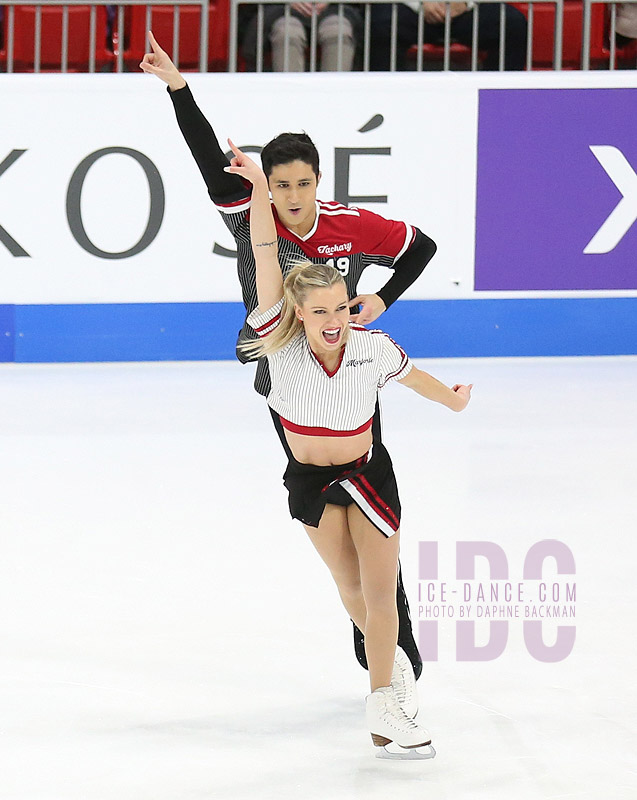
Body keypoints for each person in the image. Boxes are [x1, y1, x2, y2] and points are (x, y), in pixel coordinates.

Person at [140, 31, 437, 682]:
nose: (293, 195)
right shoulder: (251, 215)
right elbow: (205, 155)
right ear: (266, 185)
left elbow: (421, 247)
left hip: (349, 374)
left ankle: (394, 627)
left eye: (303, 183)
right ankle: (364, 616)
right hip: (285, 378)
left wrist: (381, 298)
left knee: (374, 502)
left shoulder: (350, 224)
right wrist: (178, 88)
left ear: (318, 180)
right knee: (324, 503)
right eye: (281, 184)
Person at [224, 139, 471, 754]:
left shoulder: (370, 345)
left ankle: (386, 700)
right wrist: (260, 188)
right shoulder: (274, 337)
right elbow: (262, 247)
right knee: (352, 591)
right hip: (311, 484)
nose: (335, 320)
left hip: (368, 476)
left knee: (381, 594)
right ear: (296, 314)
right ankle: (396, 670)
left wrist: (454, 401)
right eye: (320, 311)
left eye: (341, 307)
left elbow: (416, 379)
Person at [369, 2, 528, 71]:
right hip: (409, 8)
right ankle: (387, 100)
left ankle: (498, 101)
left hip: (466, 10)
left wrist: (465, 2)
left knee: (512, 24)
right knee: (380, 23)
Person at [240, 3, 361, 72]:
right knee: (287, 31)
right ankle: (290, 99)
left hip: (336, 7)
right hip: (279, 7)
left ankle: (333, 98)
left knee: (338, 30)